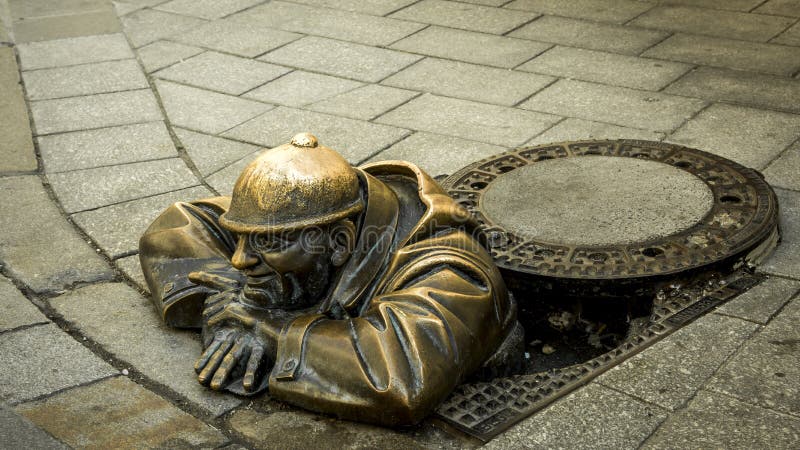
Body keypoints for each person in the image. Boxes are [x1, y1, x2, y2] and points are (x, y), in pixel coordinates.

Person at [139, 133, 521, 425]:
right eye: (240, 237)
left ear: (340, 242)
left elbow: (401, 377)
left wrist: (268, 328)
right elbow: (178, 226)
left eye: (267, 244)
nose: (240, 259)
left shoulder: (452, 269)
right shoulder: (311, 219)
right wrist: (233, 304)